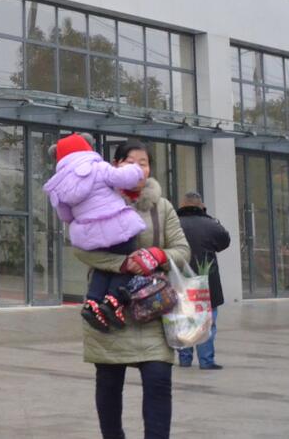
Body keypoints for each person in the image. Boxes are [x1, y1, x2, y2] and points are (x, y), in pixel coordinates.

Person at [74, 140, 190, 439]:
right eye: (131, 162)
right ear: (115, 165)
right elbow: (81, 249)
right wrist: (123, 263)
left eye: (144, 163)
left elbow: (182, 249)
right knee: (109, 385)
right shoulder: (94, 201)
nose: (139, 168)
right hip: (107, 312)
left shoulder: (162, 207)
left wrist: (157, 255)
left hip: (153, 310)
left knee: (159, 381)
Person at [43, 131, 148, 331]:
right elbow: (121, 178)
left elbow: (65, 216)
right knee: (128, 261)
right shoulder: (98, 167)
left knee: (103, 267)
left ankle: (92, 301)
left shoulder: (59, 185)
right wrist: (135, 170)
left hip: (90, 235)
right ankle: (113, 301)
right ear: (86, 148)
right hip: (116, 226)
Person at [176, 191, 231, 371]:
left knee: (184, 319)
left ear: (182, 205)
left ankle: (185, 359)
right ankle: (206, 361)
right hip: (206, 281)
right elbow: (224, 241)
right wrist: (206, 216)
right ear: (201, 206)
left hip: (181, 280)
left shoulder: (174, 223)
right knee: (207, 322)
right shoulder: (210, 224)